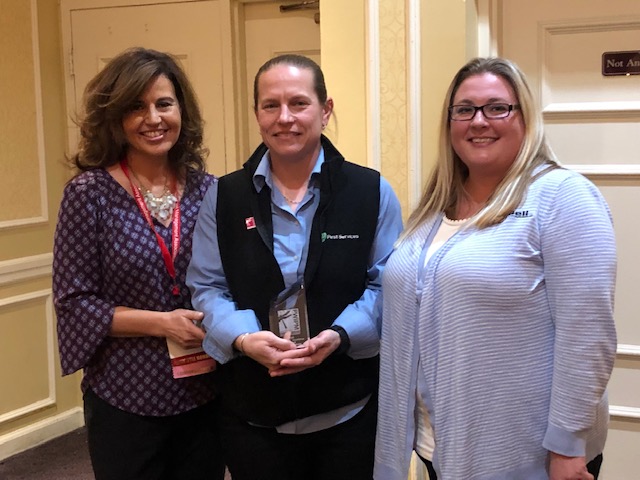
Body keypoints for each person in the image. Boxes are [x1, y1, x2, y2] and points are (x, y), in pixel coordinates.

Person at [374, 57, 617, 480]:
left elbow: (587, 334)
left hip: (528, 454)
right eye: (464, 109)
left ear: (525, 117)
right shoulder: (434, 209)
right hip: (438, 445)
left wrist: (567, 446)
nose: (479, 121)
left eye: (497, 108)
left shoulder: (562, 197)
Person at [187, 54, 403, 480]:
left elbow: (386, 285)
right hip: (253, 416)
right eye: (271, 105)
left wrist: (339, 336)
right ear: (257, 114)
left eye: (299, 103)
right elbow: (207, 287)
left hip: (349, 414)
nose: (284, 118)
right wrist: (244, 338)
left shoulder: (370, 191)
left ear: (325, 110)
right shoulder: (224, 196)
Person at [52, 47, 225, 480]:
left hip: (204, 389)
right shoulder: (88, 195)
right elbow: (75, 303)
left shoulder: (210, 191)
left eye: (164, 104)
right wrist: (163, 324)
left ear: (181, 110)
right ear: (115, 118)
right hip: (125, 393)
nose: (153, 118)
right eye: (136, 107)